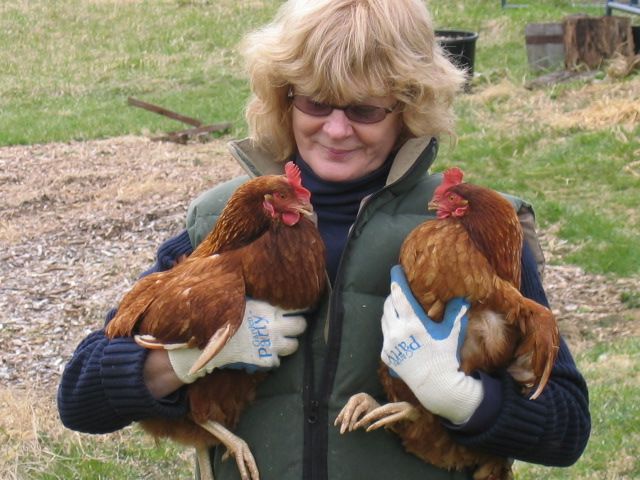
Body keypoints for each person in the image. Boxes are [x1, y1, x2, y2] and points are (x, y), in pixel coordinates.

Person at [57, 0, 591, 479]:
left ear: (407, 107)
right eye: (315, 103)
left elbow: (566, 428)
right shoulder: (223, 221)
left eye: (363, 110)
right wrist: (183, 361)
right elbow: (81, 399)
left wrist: (462, 399)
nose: (336, 130)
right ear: (283, 99)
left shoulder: (470, 230)